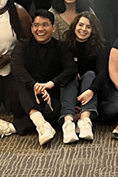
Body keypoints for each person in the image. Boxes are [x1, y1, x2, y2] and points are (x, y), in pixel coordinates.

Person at [6, 10, 78, 146]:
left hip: (48, 98)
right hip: (22, 98)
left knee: (56, 113)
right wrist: (34, 85)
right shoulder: (23, 45)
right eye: (36, 25)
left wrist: (51, 84)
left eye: (45, 25)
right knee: (21, 81)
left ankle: (12, 127)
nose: (40, 29)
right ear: (32, 28)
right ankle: (40, 124)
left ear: (53, 28)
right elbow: (16, 66)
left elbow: (71, 69)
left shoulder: (61, 47)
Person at [57, 12, 108, 143]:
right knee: (69, 76)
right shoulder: (65, 45)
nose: (83, 29)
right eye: (80, 25)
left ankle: (85, 120)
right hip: (70, 88)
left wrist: (91, 91)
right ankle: (68, 123)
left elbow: (102, 73)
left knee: (90, 74)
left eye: (88, 27)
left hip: (91, 88)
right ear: (74, 26)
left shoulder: (100, 47)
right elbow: (65, 71)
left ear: (93, 30)